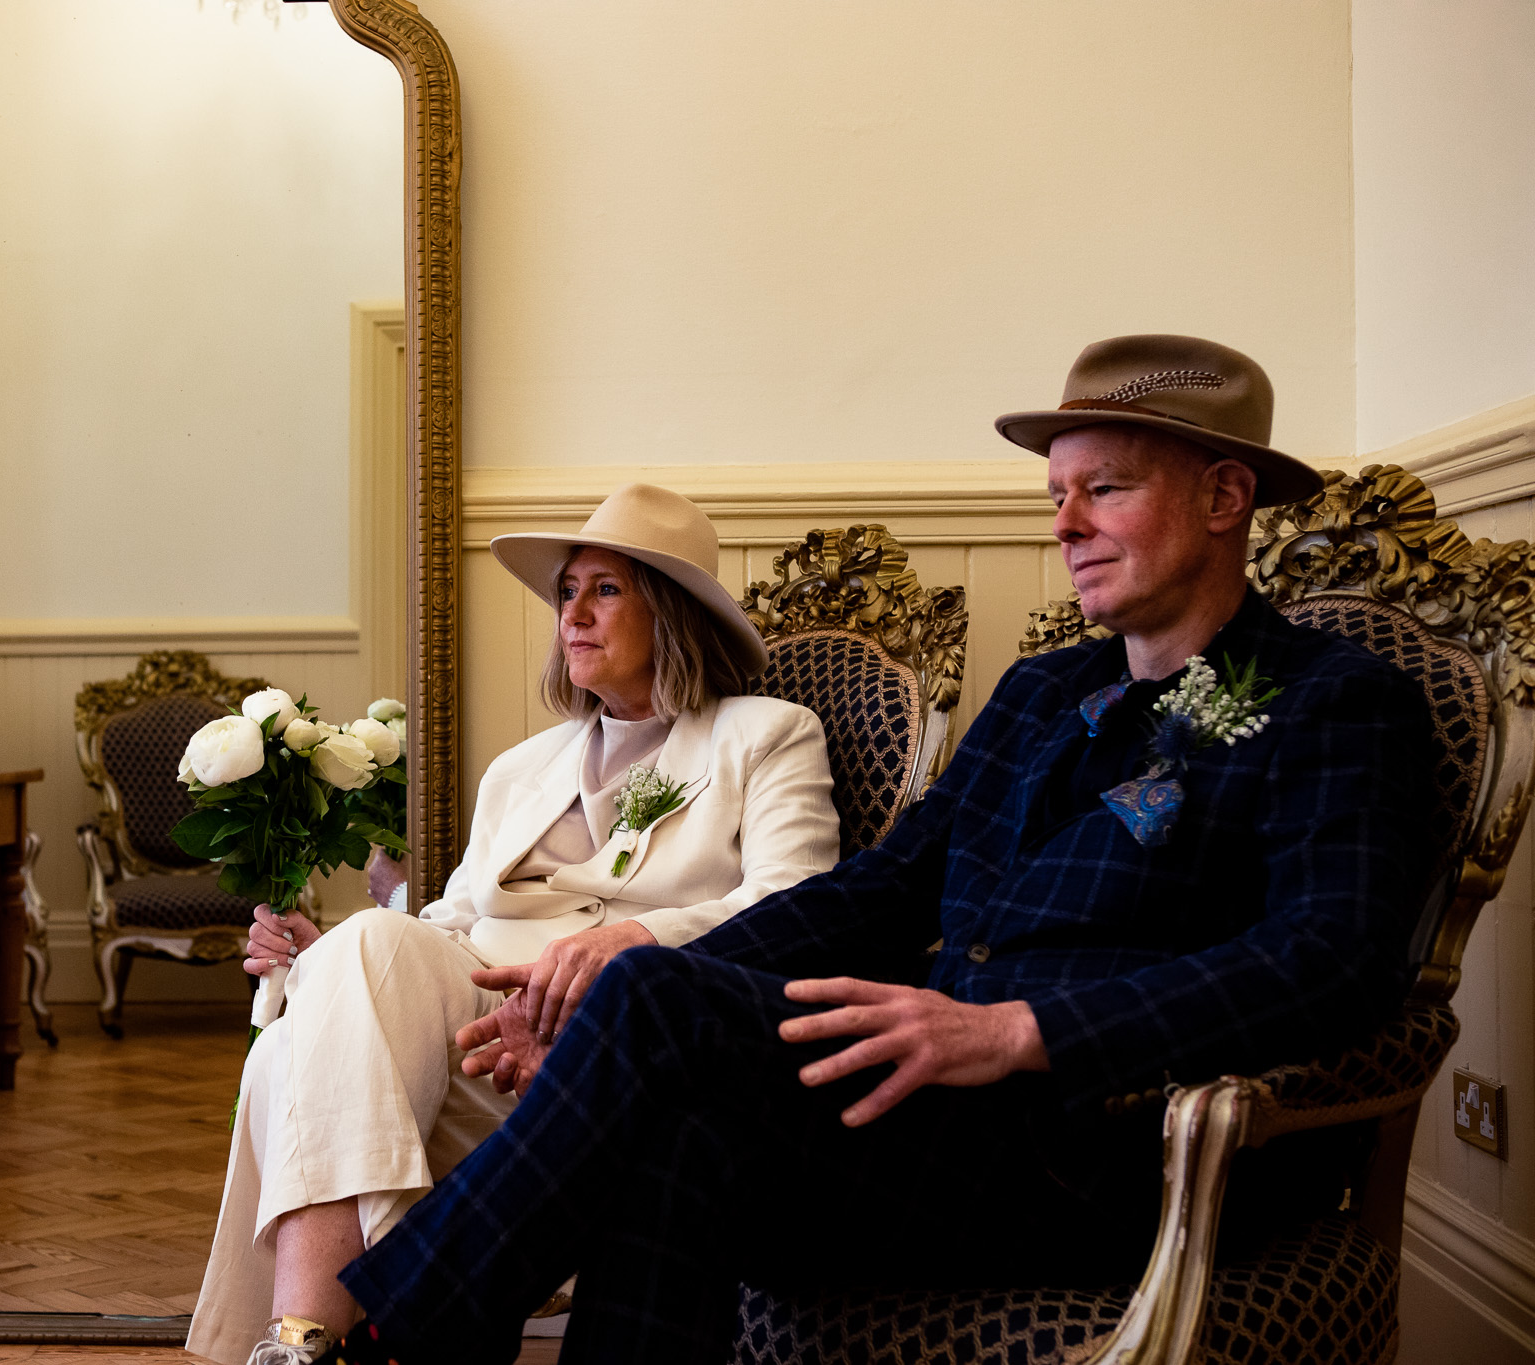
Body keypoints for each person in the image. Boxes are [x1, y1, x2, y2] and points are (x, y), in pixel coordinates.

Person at [298, 335, 1442, 1365]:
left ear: (1224, 496)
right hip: (943, 1133)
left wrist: (1017, 1032)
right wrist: (597, 1020)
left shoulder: (1333, 700)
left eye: (1105, 489)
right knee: (675, 1126)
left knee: (646, 1000)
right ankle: (413, 1331)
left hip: (1122, 1146)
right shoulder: (1045, 691)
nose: (1062, 525)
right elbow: (883, 890)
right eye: (1055, 494)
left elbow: (1328, 958)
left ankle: (401, 1336)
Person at [188, 484, 841, 1365]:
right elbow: (444, 925)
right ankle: (311, 1344)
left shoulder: (765, 736)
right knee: (359, 953)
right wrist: (326, 958)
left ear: (675, 611)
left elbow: (797, 907)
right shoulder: (522, 767)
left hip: (613, 1058)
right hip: (476, 1045)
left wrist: (636, 940)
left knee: (291, 1057)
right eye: (566, 592)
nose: (573, 613)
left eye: (605, 590)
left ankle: (306, 1340)